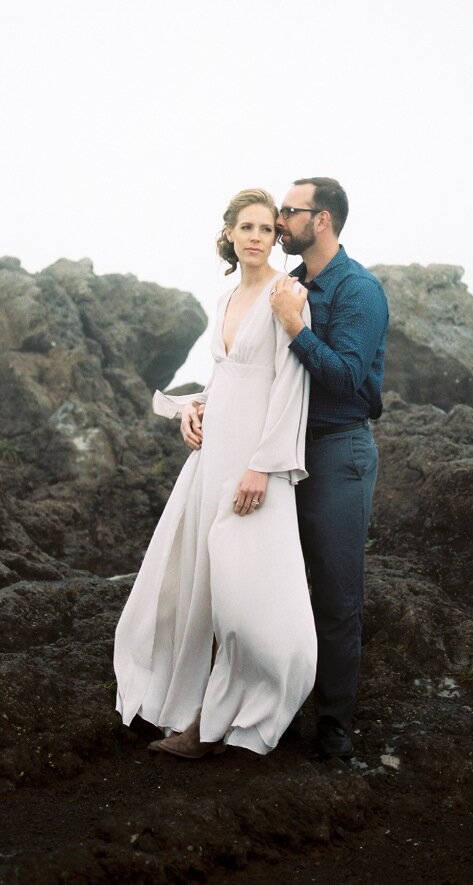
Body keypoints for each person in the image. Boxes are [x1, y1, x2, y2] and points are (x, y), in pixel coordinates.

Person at [114, 187, 317, 757]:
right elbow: (228, 373)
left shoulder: (288, 293)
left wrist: (263, 466)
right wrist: (192, 408)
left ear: (276, 236)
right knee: (188, 585)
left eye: (265, 228)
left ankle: (242, 714)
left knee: (246, 596)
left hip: (256, 465)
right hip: (213, 457)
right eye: (245, 227)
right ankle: (194, 715)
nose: (255, 236)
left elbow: (288, 383)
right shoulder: (226, 294)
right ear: (228, 233)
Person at [269, 176, 388, 761]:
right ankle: (273, 710)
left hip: (339, 450)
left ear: (321, 220)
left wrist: (295, 328)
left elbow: (345, 376)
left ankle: (335, 726)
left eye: (288, 211)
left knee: (336, 596)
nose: (278, 219)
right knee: (273, 586)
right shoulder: (286, 285)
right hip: (281, 449)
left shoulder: (359, 290)